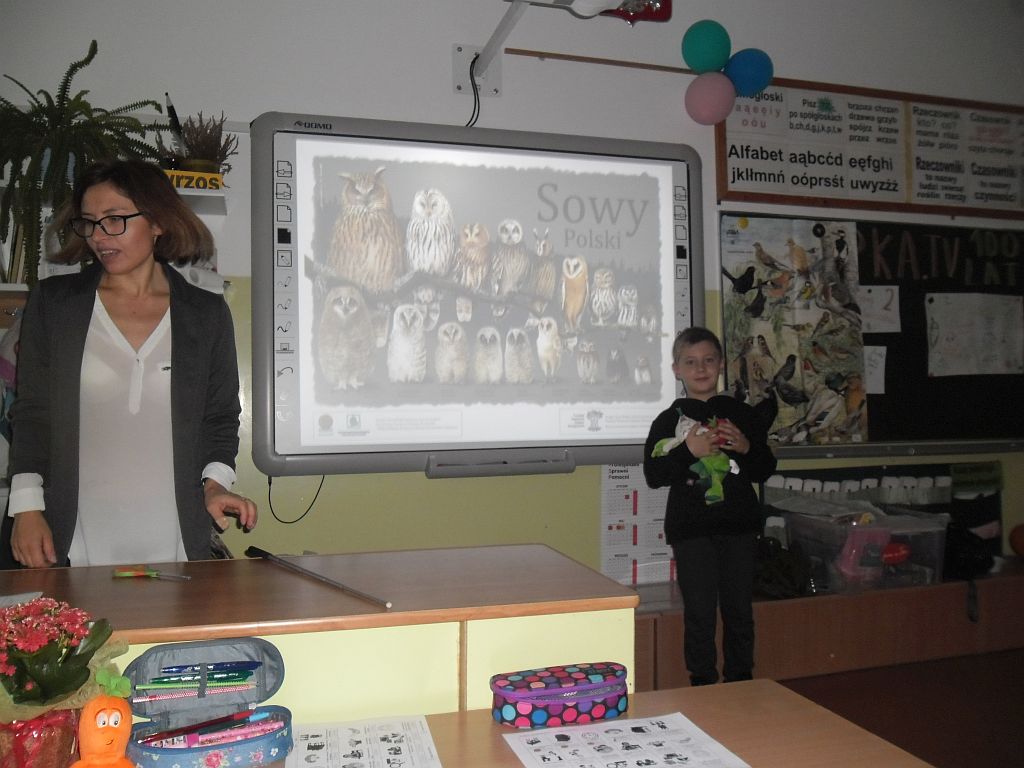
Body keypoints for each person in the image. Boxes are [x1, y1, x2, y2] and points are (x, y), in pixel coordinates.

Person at [4, 159, 257, 568]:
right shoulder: (55, 304)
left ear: (157, 221)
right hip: (75, 532)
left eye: (114, 219)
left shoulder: (206, 313)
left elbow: (220, 416)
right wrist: (26, 507)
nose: (99, 236)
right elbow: (33, 414)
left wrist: (215, 484)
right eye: (89, 223)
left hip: (176, 532)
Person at [644, 327, 776, 685]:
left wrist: (746, 448)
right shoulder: (668, 420)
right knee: (700, 613)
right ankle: (702, 683)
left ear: (721, 364)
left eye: (708, 360)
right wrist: (689, 450)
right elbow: (654, 475)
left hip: (738, 526)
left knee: (739, 611)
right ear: (677, 370)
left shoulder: (741, 415)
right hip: (691, 530)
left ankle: (740, 681)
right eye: (690, 362)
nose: (700, 369)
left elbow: (764, 469)